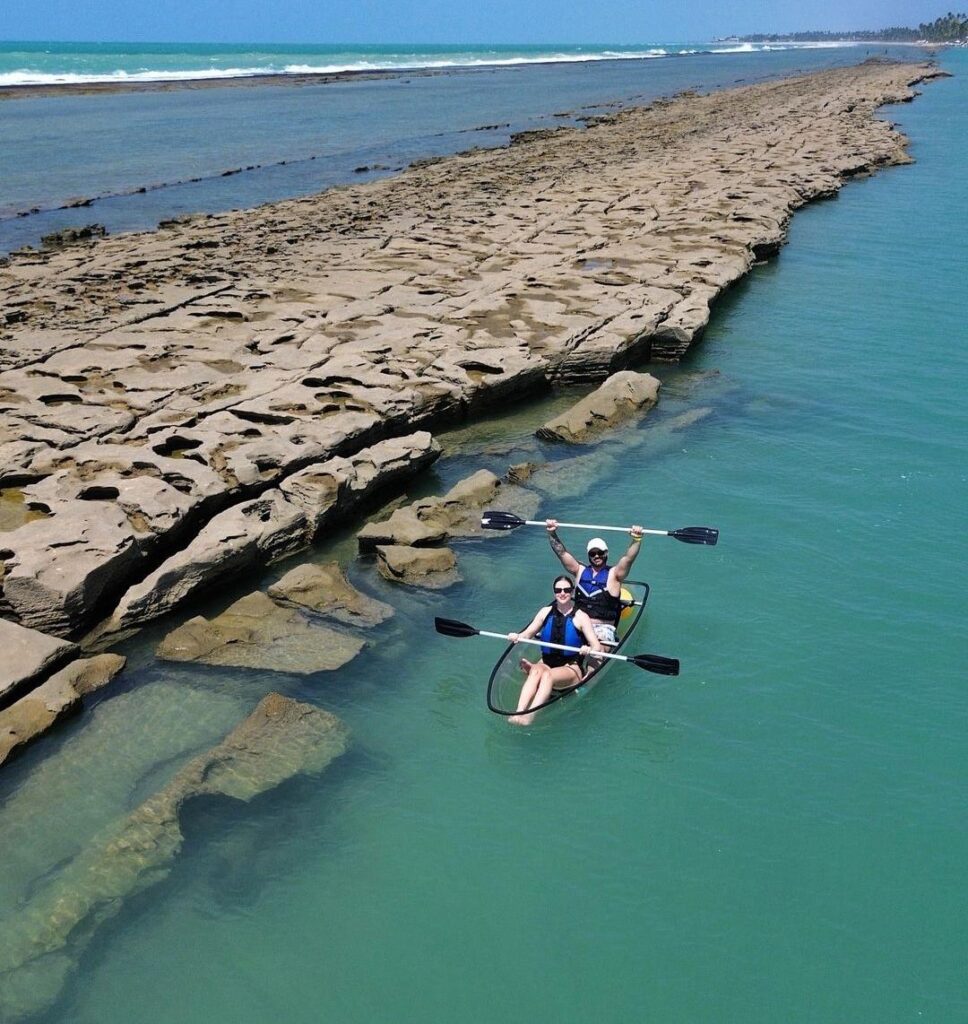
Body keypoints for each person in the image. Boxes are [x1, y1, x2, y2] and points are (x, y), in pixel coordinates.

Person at [506, 575, 603, 726]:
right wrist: (517, 636)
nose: (562, 593)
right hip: (546, 662)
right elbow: (528, 633)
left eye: (566, 590)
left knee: (547, 676)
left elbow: (597, 646)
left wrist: (589, 649)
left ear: (572, 592)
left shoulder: (581, 617)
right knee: (536, 671)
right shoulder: (545, 612)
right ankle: (519, 712)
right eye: (558, 590)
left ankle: (529, 717)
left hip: (570, 667)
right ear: (554, 593)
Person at [546, 518, 645, 648]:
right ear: (589, 555)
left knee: (595, 658)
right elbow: (561, 553)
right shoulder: (579, 570)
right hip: (577, 624)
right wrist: (552, 533)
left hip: (602, 629)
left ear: (606, 553)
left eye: (600, 553)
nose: (596, 556)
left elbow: (628, 558)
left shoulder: (615, 574)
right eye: (593, 553)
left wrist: (636, 539)